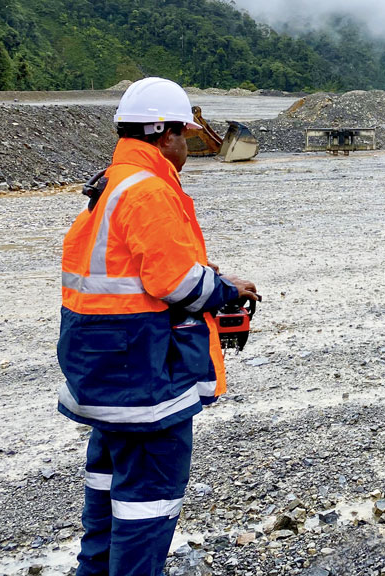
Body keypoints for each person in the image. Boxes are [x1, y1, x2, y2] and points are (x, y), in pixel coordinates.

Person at [57, 77, 258, 576]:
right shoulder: (149, 191)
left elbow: (134, 274)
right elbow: (177, 283)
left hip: (103, 374)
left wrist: (211, 278)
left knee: (105, 506)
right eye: (185, 137)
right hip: (146, 384)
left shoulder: (111, 183)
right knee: (146, 511)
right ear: (164, 134)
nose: (187, 148)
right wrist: (228, 291)